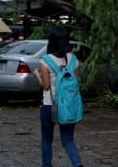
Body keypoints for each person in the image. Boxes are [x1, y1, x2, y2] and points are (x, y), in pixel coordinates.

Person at [33, 26, 84, 167]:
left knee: (47, 139)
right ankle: (77, 164)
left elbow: (46, 86)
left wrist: (37, 75)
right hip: (69, 105)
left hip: (50, 105)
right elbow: (78, 80)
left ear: (52, 41)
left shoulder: (45, 61)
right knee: (68, 140)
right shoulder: (73, 59)